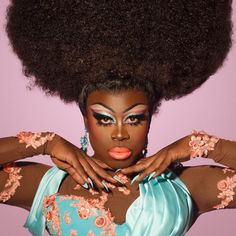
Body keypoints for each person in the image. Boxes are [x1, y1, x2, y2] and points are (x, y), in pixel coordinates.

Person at [0, 0, 235, 235]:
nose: (120, 133)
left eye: (134, 119)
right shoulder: (49, 184)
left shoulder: (182, 187)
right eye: (104, 118)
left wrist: (197, 145)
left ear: (149, 119)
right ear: (86, 120)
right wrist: (46, 143)